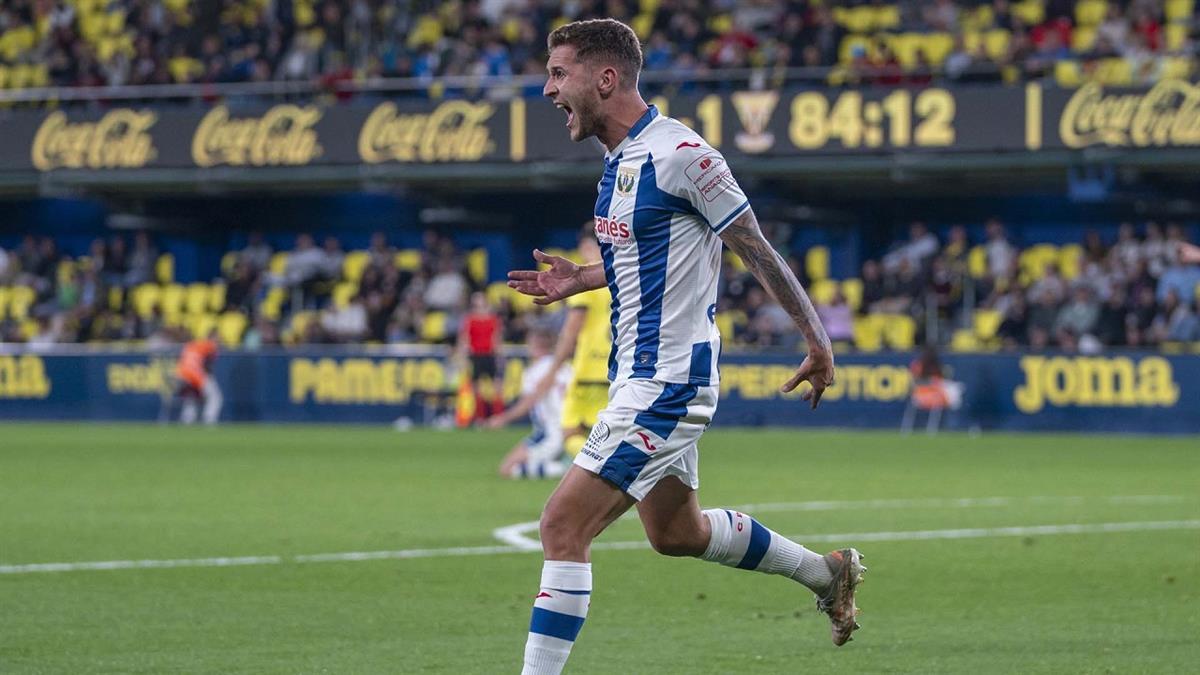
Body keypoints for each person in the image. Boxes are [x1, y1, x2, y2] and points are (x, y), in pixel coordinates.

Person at [505, 19, 861, 675]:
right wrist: (580, 279)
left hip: (666, 382)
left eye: (559, 73)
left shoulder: (684, 155)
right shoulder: (617, 164)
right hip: (637, 379)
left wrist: (817, 339)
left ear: (604, 78)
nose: (548, 89)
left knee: (562, 525)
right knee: (677, 534)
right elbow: (644, 258)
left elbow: (754, 246)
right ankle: (826, 573)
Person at [487, 329, 572, 479]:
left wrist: (503, 418)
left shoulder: (535, 371)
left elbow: (529, 400)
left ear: (534, 345)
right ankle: (561, 463)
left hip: (550, 431)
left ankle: (563, 469)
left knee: (507, 469)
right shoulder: (567, 368)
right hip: (571, 428)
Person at [175, 328, 222, 425]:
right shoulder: (210, 345)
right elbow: (208, 365)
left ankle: (187, 421)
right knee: (215, 397)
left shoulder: (191, 345)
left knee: (191, 399)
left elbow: (183, 361)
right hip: (195, 375)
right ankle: (209, 420)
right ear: (212, 337)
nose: (219, 339)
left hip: (182, 375)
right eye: (217, 337)